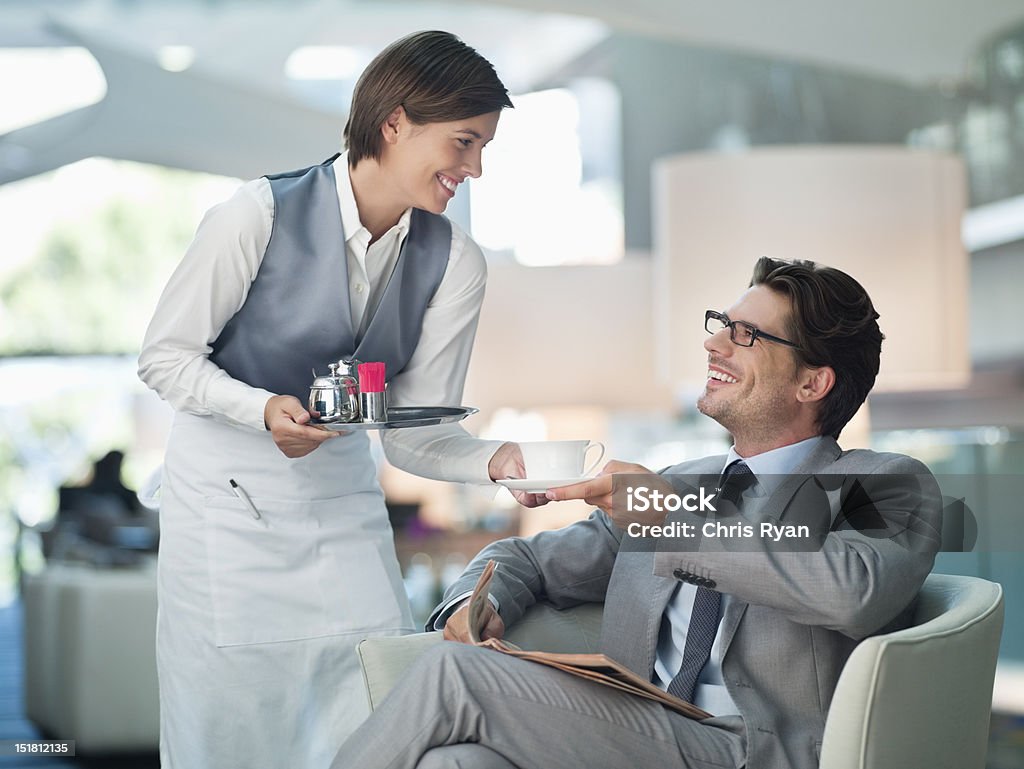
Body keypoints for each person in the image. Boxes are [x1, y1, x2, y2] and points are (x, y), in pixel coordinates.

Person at [330, 257, 944, 769]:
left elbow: (850, 590)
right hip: (635, 724)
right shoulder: (683, 482)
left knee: (453, 676)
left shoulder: (886, 484)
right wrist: (473, 604)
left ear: (813, 384)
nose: (713, 342)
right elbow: (523, 559)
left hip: (752, 751)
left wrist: (668, 516)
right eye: (721, 324)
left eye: (746, 335)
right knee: (454, 763)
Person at [138, 30, 542, 769]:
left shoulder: (454, 262)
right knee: (230, 725)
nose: (475, 168)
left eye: (483, 147)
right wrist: (259, 410)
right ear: (394, 123)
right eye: (463, 142)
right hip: (227, 512)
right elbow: (164, 356)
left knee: (376, 706)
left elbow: (411, 434)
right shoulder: (254, 215)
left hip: (343, 511)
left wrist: (499, 462)